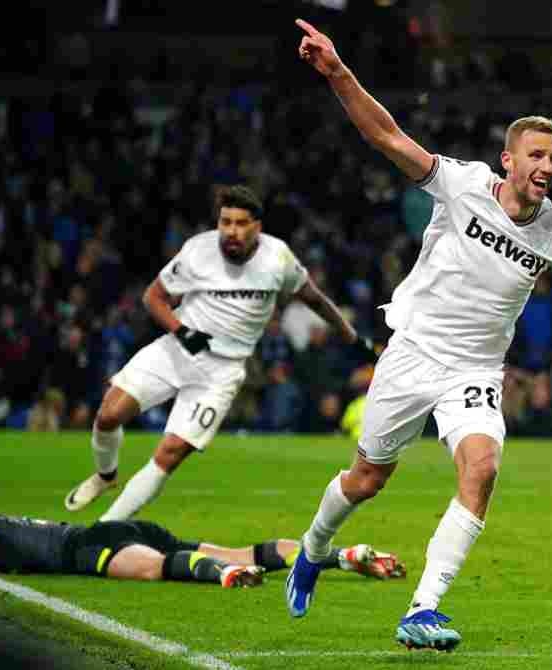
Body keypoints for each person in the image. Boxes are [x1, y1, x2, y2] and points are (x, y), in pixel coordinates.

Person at [286, 18, 552, 652]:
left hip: (476, 372)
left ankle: (423, 608)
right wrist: (338, 71)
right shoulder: (461, 186)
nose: (547, 166)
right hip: (413, 352)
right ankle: (313, 548)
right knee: (367, 479)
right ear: (508, 159)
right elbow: (386, 136)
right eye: (536, 155)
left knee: (481, 470)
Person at [64, 185, 377, 521]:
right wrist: (182, 331)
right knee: (109, 415)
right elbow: (153, 297)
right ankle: (105, 476)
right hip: (176, 350)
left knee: (169, 453)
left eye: (241, 223)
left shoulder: (278, 258)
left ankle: (105, 527)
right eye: (225, 222)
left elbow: (314, 299)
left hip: (222, 372)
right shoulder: (197, 251)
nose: (231, 231)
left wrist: (352, 337)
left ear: (257, 226)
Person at [0, 498, 405, 584]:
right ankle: (341, 555)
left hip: (84, 547)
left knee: (150, 568)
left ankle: (221, 577)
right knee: (244, 549)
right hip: (117, 529)